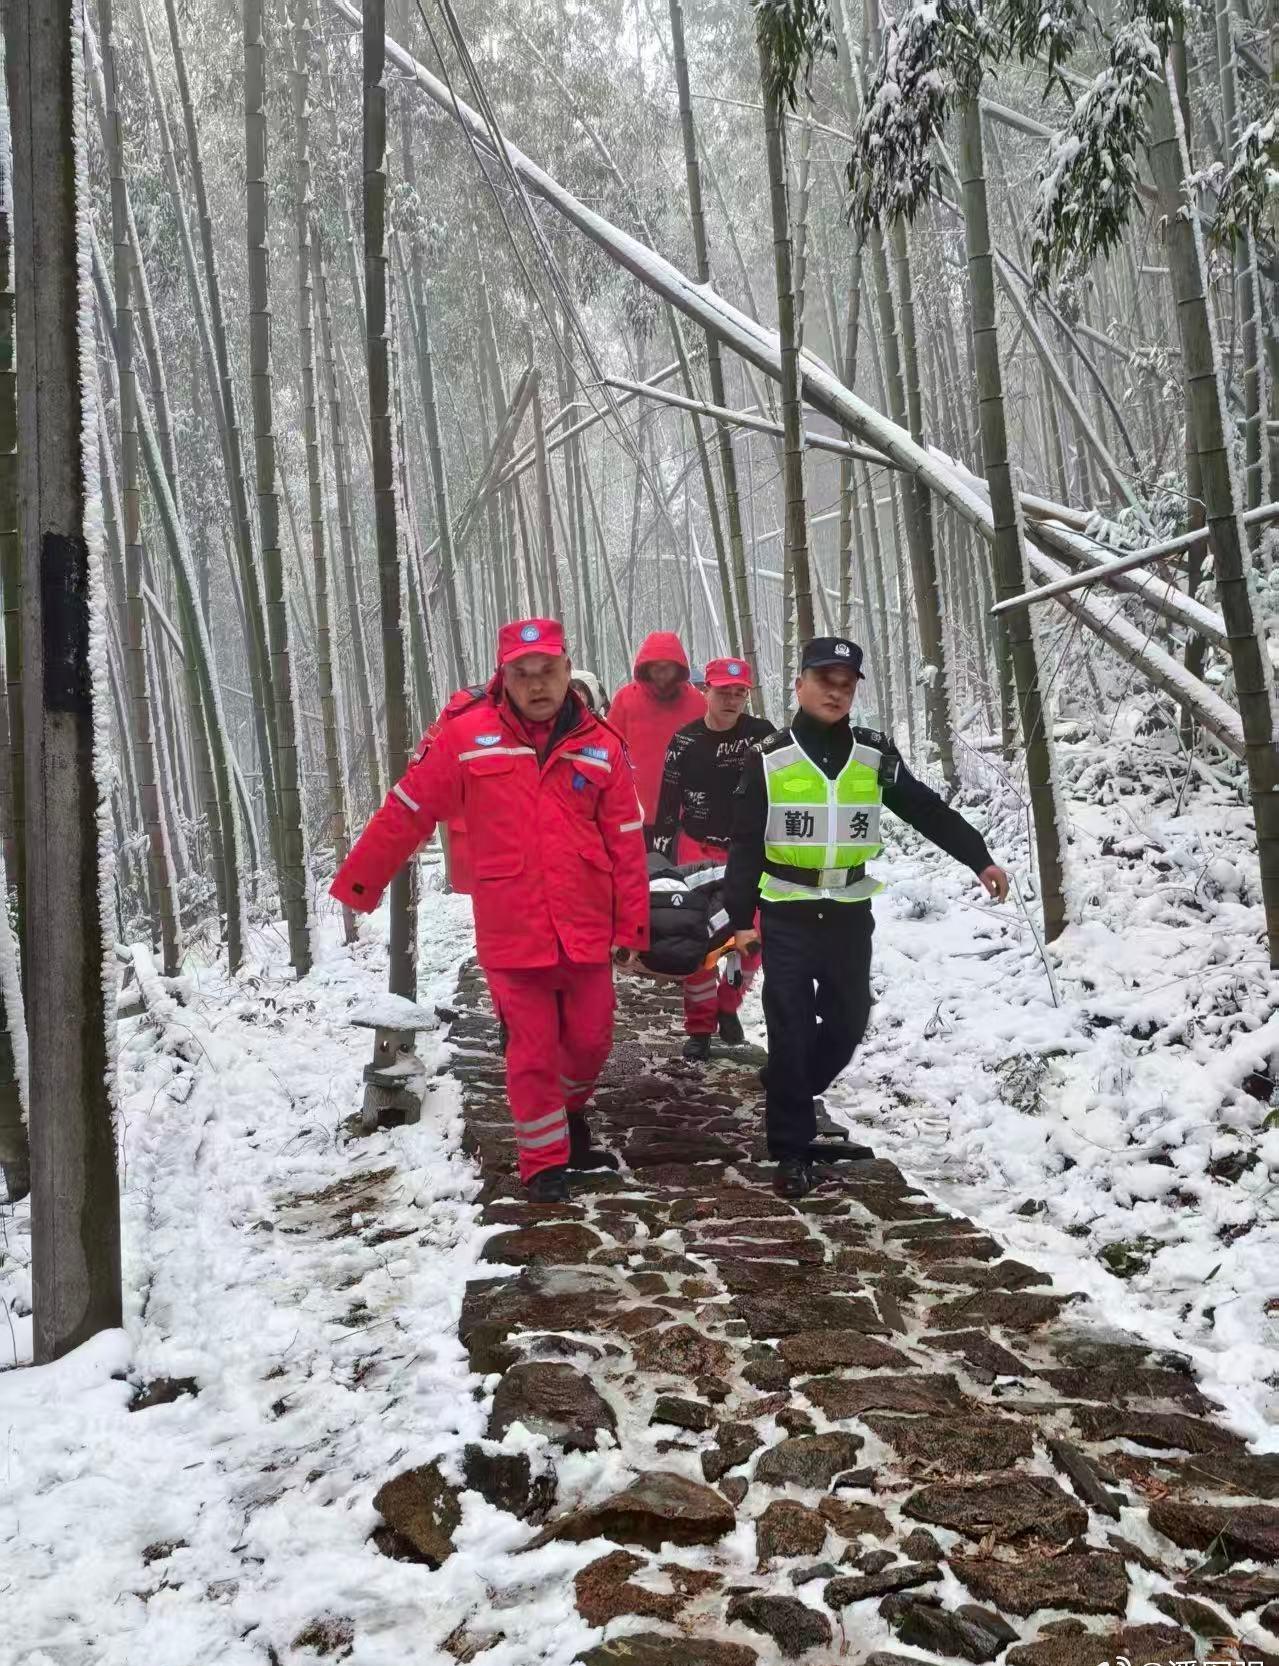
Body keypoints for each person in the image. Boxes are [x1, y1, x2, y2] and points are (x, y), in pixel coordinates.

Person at [331, 618, 650, 1203]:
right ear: (503, 676)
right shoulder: (464, 735)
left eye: (547, 671)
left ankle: (566, 1111)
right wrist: (360, 885)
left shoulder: (600, 742)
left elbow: (626, 837)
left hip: (584, 921)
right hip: (513, 925)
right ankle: (544, 1162)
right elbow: (408, 808)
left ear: (566, 668)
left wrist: (632, 924)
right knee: (530, 1045)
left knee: (591, 1037)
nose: (536, 686)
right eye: (522, 674)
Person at [725, 637, 1010, 1199]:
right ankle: (791, 1146)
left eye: (846, 683)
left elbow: (925, 808)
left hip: (849, 911)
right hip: (786, 908)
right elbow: (744, 843)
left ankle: (790, 1087)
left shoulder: (873, 753)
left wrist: (979, 857)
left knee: (849, 1020)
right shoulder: (770, 756)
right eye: (824, 680)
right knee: (790, 1026)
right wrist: (739, 919)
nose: (835, 692)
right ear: (799, 684)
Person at [651, 657, 774, 1061]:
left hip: (751, 851)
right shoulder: (684, 742)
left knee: (751, 941)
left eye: (740, 692)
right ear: (706, 690)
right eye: (724, 691)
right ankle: (700, 1027)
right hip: (696, 851)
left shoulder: (764, 737)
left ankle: (728, 1004)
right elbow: (667, 807)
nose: (733, 699)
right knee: (698, 943)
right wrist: (658, 859)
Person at [606, 631, 706, 840]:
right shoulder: (625, 700)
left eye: (667, 668)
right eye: (655, 668)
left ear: (678, 668)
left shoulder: (698, 703)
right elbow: (609, 750)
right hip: (636, 814)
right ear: (646, 667)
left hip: (685, 815)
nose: (661, 674)